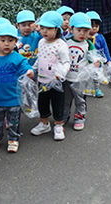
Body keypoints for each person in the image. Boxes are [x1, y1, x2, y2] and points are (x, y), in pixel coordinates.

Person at [0, 23, 34, 153]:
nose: (6, 44)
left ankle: (13, 139)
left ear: (16, 41)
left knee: (14, 122)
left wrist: (30, 72)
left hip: (14, 99)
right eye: (2, 40)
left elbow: (26, 68)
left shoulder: (18, 58)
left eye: (10, 40)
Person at [30, 11, 70, 141]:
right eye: (42, 28)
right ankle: (44, 123)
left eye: (48, 28)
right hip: (42, 80)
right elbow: (39, 58)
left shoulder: (61, 45)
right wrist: (33, 69)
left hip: (57, 81)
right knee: (42, 102)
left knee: (58, 103)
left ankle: (58, 125)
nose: (44, 31)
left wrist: (62, 73)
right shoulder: (41, 42)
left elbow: (66, 62)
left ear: (57, 29)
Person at [63, 12, 100, 131]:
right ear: (71, 29)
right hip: (67, 78)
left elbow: (94, 58)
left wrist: (96, 62)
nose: (82, 33)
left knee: (80, 100)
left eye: (86, 30)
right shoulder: (65, 42)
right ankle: (63, 117)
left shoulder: (88, 45)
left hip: (81, 79)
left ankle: (79, 118)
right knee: (65, 100)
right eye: (79, 30)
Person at [86, 10, 111, 98]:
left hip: (97, 61)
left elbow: (105, 49)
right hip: (86, 61)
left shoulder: (100, 38)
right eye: (91, 26)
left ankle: (96, 89)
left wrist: (108, 60)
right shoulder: (83, 37)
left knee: (95, 76)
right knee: (85, 76)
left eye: (96, 26)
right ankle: (86, 88)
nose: (94, 28)